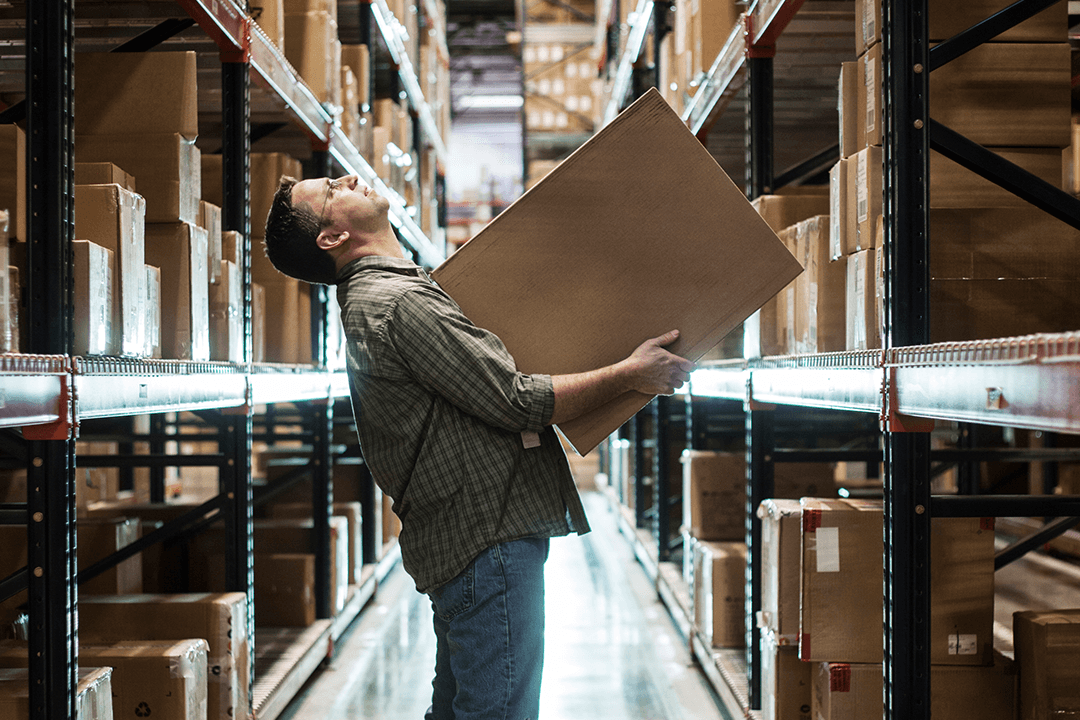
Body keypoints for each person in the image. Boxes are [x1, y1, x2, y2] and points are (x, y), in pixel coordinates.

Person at [263, 174, 694, 720]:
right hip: (485, 540)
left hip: (469, 538)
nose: (348, 177)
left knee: (461, 708)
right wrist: (632, 374)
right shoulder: (396, 303)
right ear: (331, 238)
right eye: (330, 189)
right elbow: (517, 401)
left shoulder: (394, 296)